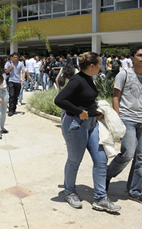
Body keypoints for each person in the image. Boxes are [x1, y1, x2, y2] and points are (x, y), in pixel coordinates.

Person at [54, 52, 121, 213]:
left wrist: (95, 112)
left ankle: (100, 198)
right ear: (92, 66)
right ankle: (69, 191)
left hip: (91, 123)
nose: (102, 66)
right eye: (100, 64)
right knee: (74, 160)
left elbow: (87, 99)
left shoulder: (88, 79)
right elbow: (59, 100)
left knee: (100, 159)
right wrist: (79, 111)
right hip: (76, 125)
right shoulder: (77, 80)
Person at [106, 44, 142, 207]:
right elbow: (115, 97)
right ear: (132, 57)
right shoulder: (124, 74)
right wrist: (117, 118)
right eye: (140, 55)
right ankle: (107, 174)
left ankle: (135, 190)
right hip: (127, 119)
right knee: (128, 153)